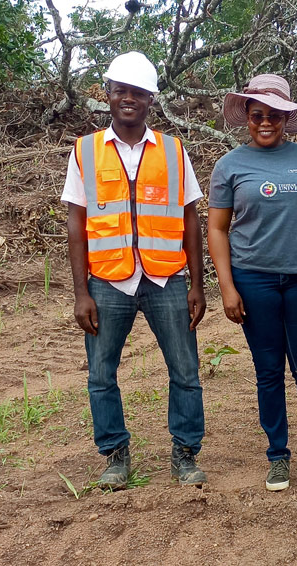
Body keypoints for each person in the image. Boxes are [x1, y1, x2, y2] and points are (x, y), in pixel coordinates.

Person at [62, 51, 207, 490]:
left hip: (165, 278)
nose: (129, 99)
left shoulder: (173, 150)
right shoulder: (85, 151)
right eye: (120, 90)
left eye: (138, 93)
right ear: (107, 95)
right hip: (108, 280)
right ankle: (115, 455)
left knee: (185, 370)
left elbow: (190, 219)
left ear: (151, 99)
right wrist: (80, 292)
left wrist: (198, 284)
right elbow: (75, 223)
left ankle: (185, 454)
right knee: (101, 374)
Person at [206, 74, 297, 493]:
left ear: (287, 117)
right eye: (258, 114)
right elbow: (218, 229)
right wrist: (227, 287)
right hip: (253, 280)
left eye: (275, 115)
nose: (266, 122)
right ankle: (278, 455)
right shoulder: (230, 165)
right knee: (268, 371)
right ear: (247, 115)